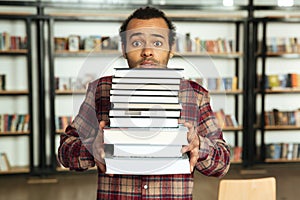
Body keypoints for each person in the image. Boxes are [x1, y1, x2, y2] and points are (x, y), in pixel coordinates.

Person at [58, 6, 230, 199]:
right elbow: (65, 151)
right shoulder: (101, 90)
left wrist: (200, 146)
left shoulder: (195, 94)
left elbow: (222, 163)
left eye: (157, 42)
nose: (147, 51)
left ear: (171, 49)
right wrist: (92, 148)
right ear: (124, 49)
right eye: (137, 42)